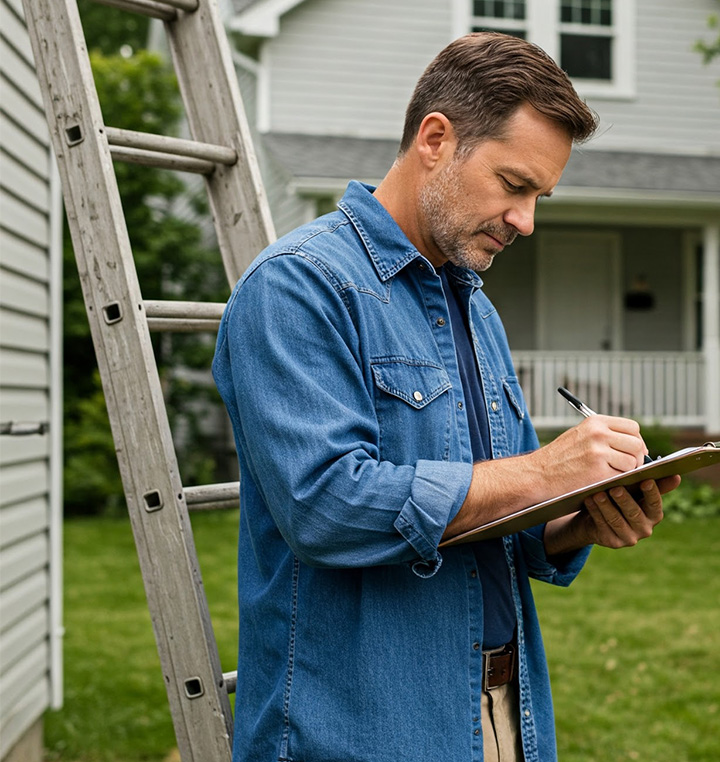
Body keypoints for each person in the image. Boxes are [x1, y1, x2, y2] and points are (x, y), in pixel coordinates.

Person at [213, 32, 680, 762]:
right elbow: (325, 504)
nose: (526, 220)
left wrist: (581, 516)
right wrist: (545, 471)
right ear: (437, 138)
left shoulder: (474, 306)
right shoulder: (298, 286)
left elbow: (504, 514)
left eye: (539, 197)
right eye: (514, 185)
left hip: (501, 708)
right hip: (358, 729)